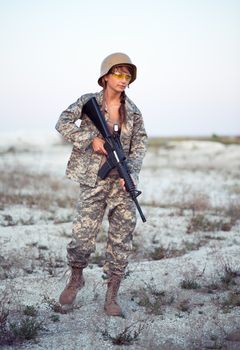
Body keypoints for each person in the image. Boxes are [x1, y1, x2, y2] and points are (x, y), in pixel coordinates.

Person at [55, 52, 148, 316]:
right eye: (118, 73)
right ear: (105, 76)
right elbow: (62, 122)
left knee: (121, 240)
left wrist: (130, 173)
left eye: (127, 74)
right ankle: (76, 279)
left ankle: (111, 296)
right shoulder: (88, 102)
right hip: (92, 180)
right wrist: (89, 139)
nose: (123, 78)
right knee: (82, 237)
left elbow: (140, 144)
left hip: (121, 184)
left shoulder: (133, 112)